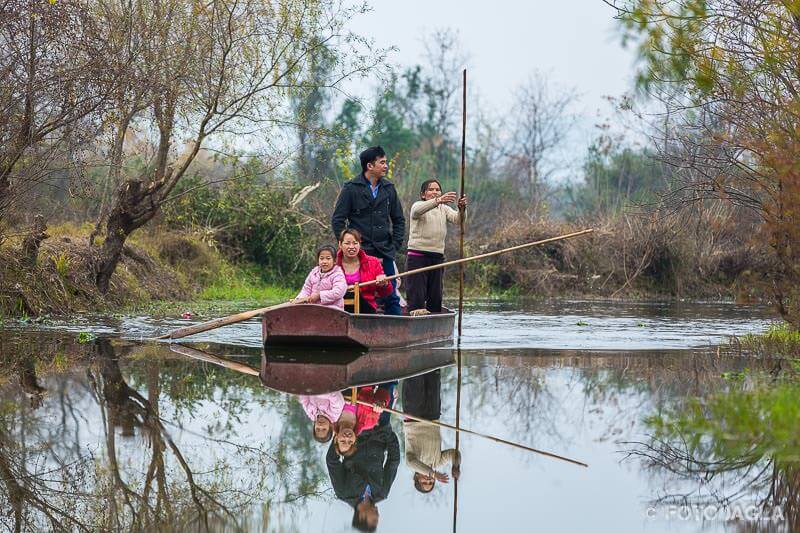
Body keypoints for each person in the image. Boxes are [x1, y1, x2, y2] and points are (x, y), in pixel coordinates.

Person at [331, 146, 405, 315]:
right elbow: (338, 220)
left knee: (391, 295)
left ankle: (394, 332)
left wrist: (394, 246)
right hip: (360, 252)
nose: (386, 166)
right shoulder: (351, 188)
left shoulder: (388, 188)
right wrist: (347, 244)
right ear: (369, 166)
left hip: (385, 251)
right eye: (382, 162)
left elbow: (399, 220)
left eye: (386, 162)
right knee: (359, 294)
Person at [405, 179, 467, 313]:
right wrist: (437, 201)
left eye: (437, 190)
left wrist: (461, 208)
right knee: (417, 294)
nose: (435, 192)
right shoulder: (418, 205)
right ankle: (415, 322)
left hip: (437, 258)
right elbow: (416, 212)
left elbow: (458, 220)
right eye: (431, 189)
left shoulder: (444, 209)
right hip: (417, 257)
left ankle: (433, 323)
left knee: (435, 295)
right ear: (423, 194)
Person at [327, 423, 400, 532]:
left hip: (355, 429)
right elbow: (393, 461)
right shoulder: (382, 493)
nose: (378, 517)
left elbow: (332, 461)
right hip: (380, 431)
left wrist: (341, 437)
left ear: (361, 517)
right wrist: (388, 434)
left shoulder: (344, 493)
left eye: (374, 520)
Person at [401, 369, 461, 493]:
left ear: (416, 477)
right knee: (433, 371)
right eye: (431, 482)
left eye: (425, 482)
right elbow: (454, 453)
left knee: (415, 372)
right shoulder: (438, 462)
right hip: (433, 415)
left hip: (413, 415)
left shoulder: (412, 463)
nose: (429, 479)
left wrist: (433, 474)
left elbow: (410, 462)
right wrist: (456, 465)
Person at [336, 229, 391, 314]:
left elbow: (385, 292)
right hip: (338, 308)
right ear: (340, 244)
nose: (351, 247)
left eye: (355, 243)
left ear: (360, 243)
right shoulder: (332, 264)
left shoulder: (373, 262)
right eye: (347, 243)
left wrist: (384, 283)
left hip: (366, 310)